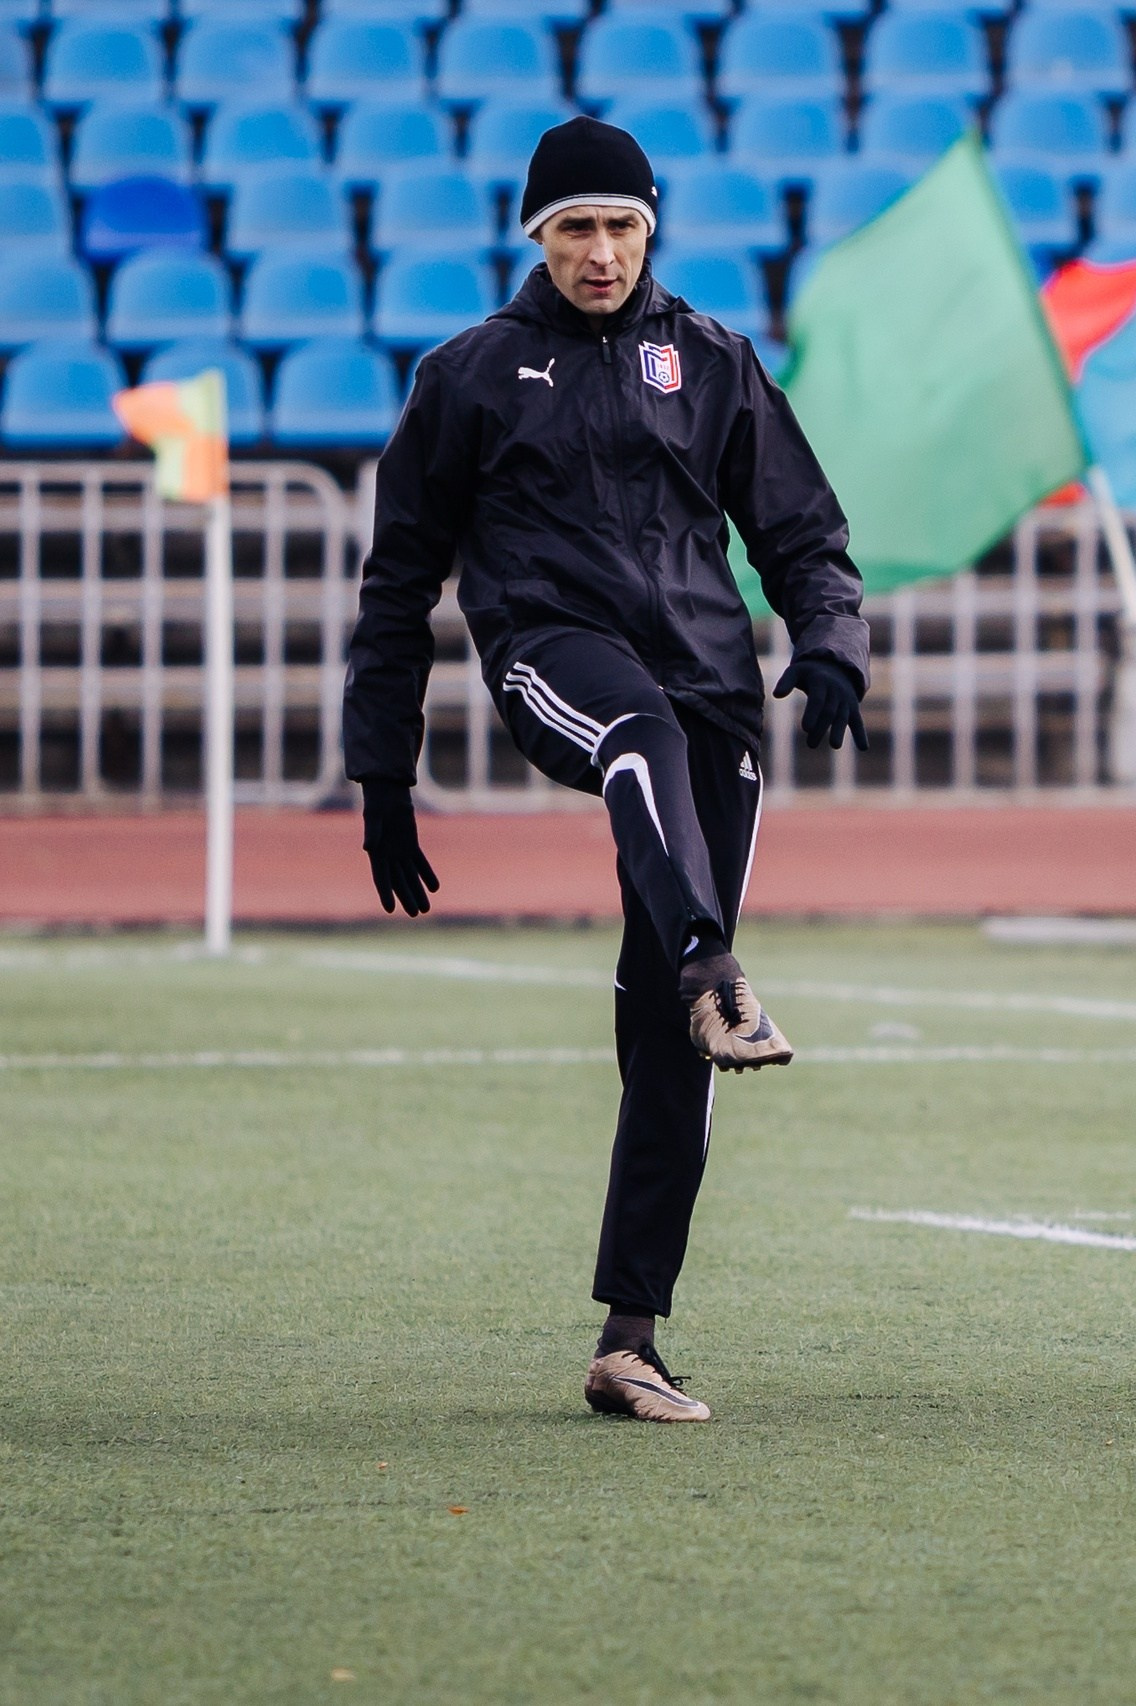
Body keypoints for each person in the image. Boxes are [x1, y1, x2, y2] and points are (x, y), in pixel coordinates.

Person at [341, 117, 872, 1425]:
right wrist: (382, 770)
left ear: (652, 230)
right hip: (552, 656)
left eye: (621, 225)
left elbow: (799, 525)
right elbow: (399, 582)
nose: (600, 250)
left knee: (670, 1036)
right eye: (573, 227)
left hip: (717, 696)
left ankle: (629, 1339)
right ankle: (713, 956)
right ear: (536, 238)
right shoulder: (467, 376)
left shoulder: (711, 361)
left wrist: (834, 642)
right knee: (638, 741)